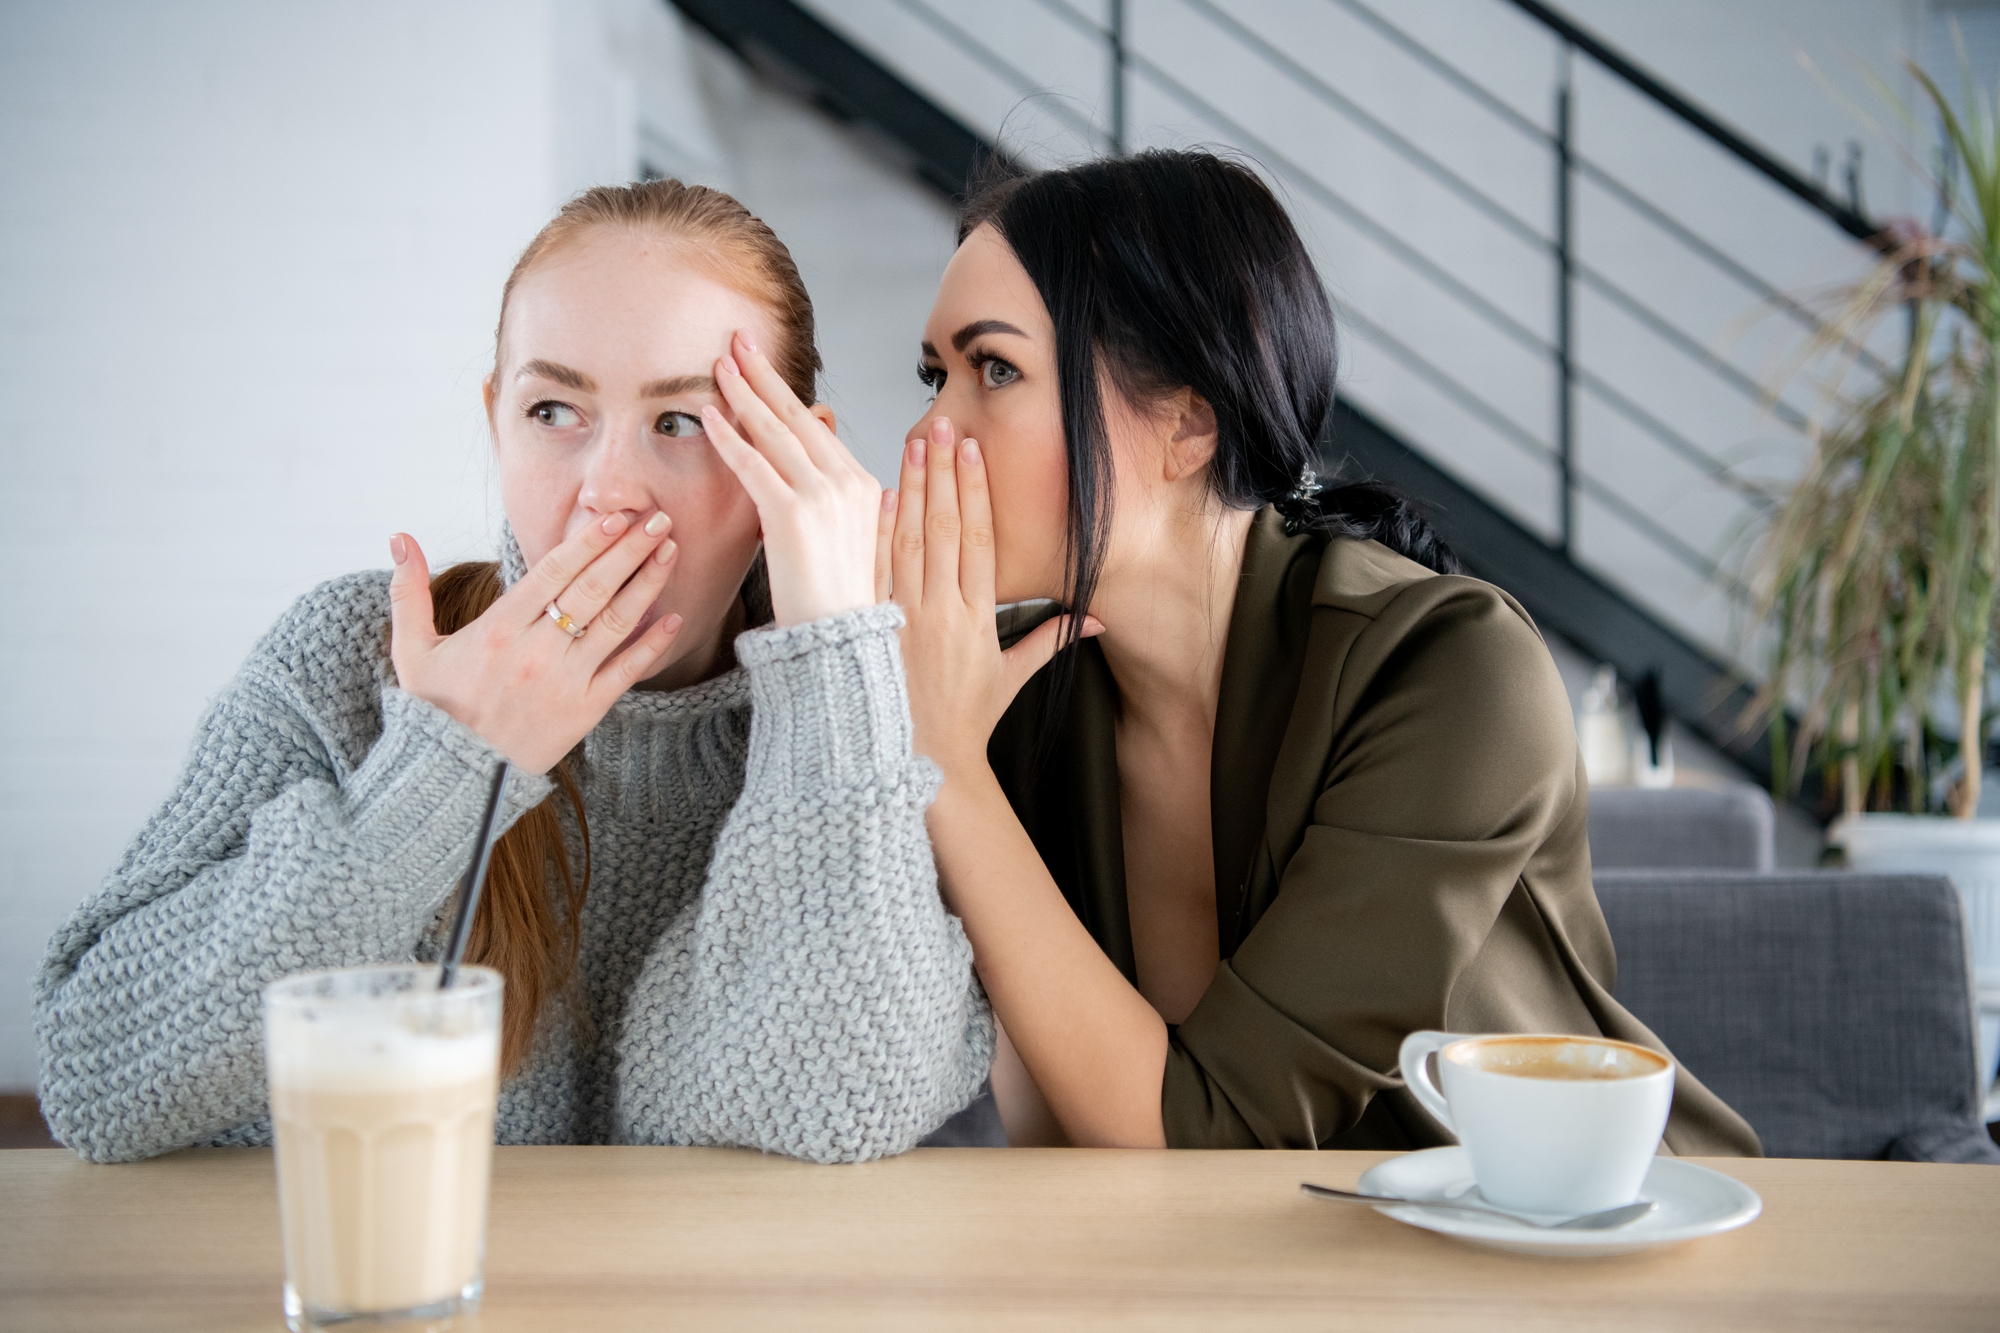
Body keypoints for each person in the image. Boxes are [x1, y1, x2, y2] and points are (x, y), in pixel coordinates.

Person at [730, 150, 1759, 1154]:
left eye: (993, 369)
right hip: (1263, 1271)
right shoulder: (1008, 688)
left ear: (1186, 425)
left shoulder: (1448, 669)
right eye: (932, 377)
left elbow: (1207, 1130)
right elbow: (1055, 1132)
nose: (927, 435)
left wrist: (945, 765)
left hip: (1576, 1263)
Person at [36, 180, 996, 1164]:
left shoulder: (880, 709)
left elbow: (822, 1104)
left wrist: (832, 664)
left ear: (795, 465)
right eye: (553, 410)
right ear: (496, 419)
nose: (607, 494)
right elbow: (95, 1079)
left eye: (681, 423)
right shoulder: (348, 657)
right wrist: (442, 771)